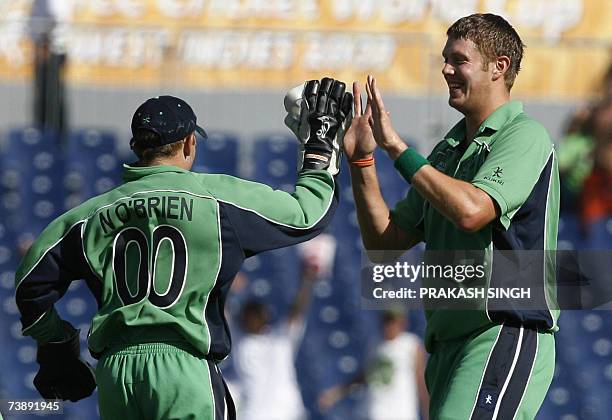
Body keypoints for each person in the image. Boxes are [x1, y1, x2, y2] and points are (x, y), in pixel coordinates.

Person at [14, 79, 352, 419]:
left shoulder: (90, 214)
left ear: (137, 147)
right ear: (189, 144)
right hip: (183, 367)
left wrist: (57, 345)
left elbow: (31, 283)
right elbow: (309, 215)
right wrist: (320, 144)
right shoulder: (215, 200)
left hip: (117, 373)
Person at [342, 14, 559, 419]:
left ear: (500, 67)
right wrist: (363, 160)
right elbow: (384, 243)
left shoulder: (524, 134)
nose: (445, 69)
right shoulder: (448, 150)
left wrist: (396, 149)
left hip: (500, 332)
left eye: (458, 60)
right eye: (445, 59)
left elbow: (472, 211)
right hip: (447, 345)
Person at [230, 234, 336, 420]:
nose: (253, 320)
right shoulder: (240, 340)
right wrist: (228, 283)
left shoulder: (280, 339)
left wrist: (308, 280)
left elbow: (297, 311)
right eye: (249, 316)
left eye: (257, 315)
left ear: (266, 317)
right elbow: (220, 310)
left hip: (289, 414)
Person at [318, 311, 429, 420]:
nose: (389, 326)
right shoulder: (374, 342)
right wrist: (337, 393)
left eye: (393, 321)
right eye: (387, 321)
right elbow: (366, 375)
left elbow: (421, 381)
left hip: (401, 414)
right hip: (372, 412)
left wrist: (427, 413)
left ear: (403, 323)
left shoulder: (411, 344)